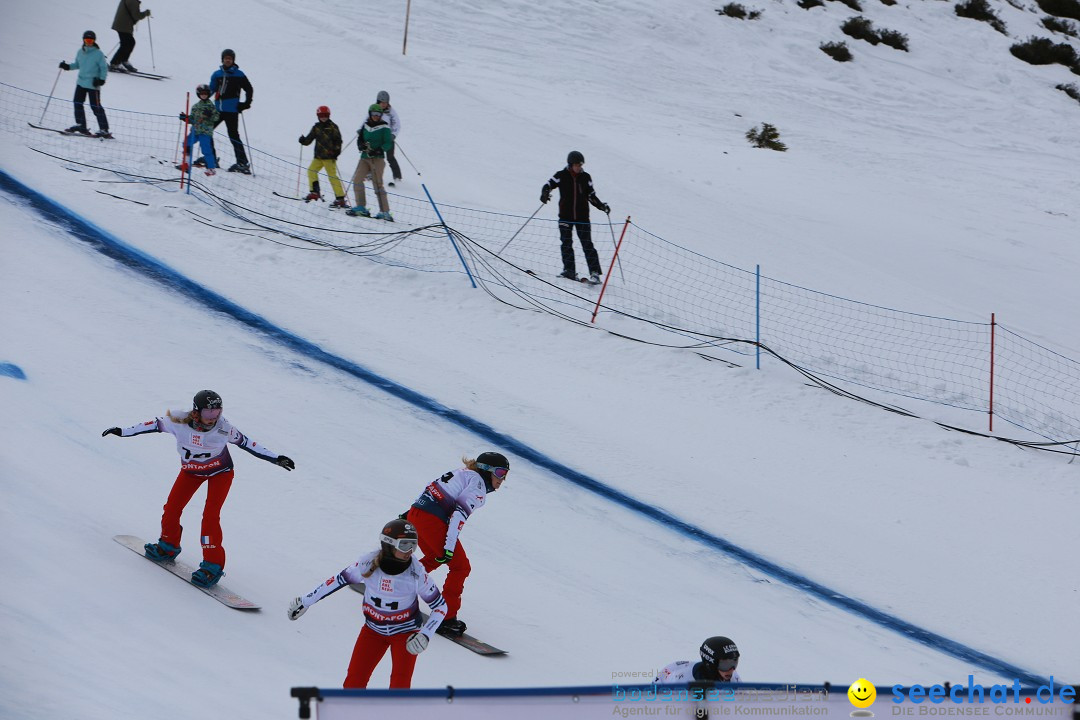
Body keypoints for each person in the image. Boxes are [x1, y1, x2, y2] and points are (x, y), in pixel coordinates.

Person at [101, 390, 295, 588]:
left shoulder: (224, 428)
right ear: (195, 412)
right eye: (209, 413)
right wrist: (123, 431)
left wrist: (275, 458)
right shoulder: (177, 419)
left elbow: (248, 443)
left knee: (210, 517)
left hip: (220, 474)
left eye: (217, 412)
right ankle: (168, 546)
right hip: (191, 472)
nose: (214, 418)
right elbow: (151, 425)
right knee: (171, 509)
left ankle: (213, 566)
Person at [287, 519, 447, 689]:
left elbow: (440, 606)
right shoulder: (367, 563)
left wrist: (425, 634)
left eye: (413, 545)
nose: (409, 551)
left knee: (400, 687)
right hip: (373, 631)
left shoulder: (417, 573)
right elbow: (337, 581)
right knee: (354, 682)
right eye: (404, 545)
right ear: (389, 545)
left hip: (405, 634)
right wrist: (306, 601)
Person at [405, 452, 509, 638]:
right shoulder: (477, 487)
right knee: (460, 567)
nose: (502, 479)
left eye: (505, 474)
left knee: (433, 558)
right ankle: (446, 618)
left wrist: (409, 514)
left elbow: (432, 489)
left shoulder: (462, 473)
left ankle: (400, 585)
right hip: (431, 521)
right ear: (486, 470)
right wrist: (449, 548)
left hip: (417, 514)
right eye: (500, 473)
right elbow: (458, 517)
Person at [539, 150, 611, 283]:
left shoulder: (586, 177)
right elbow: (548, 185)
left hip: (582, 217)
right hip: (565, 216)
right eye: (577, 165)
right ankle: (569, 270)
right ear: (570, 164)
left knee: (587, 244)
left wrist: (601, 206)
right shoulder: (561, 175)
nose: (579, 168)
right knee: (566, 243)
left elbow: (591, 196)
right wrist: (545, 193)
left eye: (581, 165)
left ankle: (594, 273)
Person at [200, 49, 253, 174]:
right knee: (206, 131)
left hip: (232, 110)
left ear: (233, 60)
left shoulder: (239, 74)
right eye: (226, 58)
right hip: (217, 110)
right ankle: (211, 158)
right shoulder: (216, 74)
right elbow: (211, 90)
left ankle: (242, 163)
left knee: (233, 136)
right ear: (222, 59)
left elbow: (249, 89)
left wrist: (246, 104)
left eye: (230, 58)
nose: (228, 60)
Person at [58, 30, 111, 138]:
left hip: (93, 84)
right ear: (83, 40)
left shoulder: (98, 54)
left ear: (94, 41)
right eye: (87, 40)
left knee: (95, 106)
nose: (89, 42)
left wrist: (101, 80)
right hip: (81, 82)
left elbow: (104, 68)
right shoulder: (80, 52)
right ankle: (81, 125)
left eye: (91, 40)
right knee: (77, 103)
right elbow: (77, 64)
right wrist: (67, 66)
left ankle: (104, 129)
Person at [347, 104, 395, 221]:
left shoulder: (384, 127)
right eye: (373, 114)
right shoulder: (366, 125)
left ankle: (384, 211)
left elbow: (388, 143)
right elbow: (360, 139)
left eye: (378, 114)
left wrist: (379, 149)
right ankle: (361, 207)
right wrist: (360, 145)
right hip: (365, 157)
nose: (375, 116)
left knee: (377, 184)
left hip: (377, 158)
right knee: (357, 180)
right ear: (370, 114)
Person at [298, 105, 348, 208]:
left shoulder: (333, 127)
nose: (323, 117)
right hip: (318, 157)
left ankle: (340, 198)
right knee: (311, 171)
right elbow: (309, 139)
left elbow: (338, 141)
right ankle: (315, 192)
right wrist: (303, 141)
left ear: (329, 115)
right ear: (318, 116)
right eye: (321, 115)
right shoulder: (316, 127)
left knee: (332, 176)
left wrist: (336, 152)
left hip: (329, 157)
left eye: (325, 115)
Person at [654, 636, 742, 684]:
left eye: (734, 662)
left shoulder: (733, 678)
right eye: (725, 664)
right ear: (710, 663)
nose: (732, 669)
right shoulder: (679, 679)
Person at [177, 84, 219, 176]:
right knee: (186, 143)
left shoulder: (211, 106)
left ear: (208, 94)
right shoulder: (195, 106)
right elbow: (192, 119)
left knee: (206, 149)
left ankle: (211, 168)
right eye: (202, 93)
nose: (204, 95)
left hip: (205, 131)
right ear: (198, 94)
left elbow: (216, 117)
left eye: (205, 93)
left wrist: (210, 114)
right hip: (195, 131)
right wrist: (186, 118)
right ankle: (186, 164)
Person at [108, 0, 151, 73]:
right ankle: (115, 63)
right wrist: (146, 13)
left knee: (130, 42)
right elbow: (137, 16)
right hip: (123, 26)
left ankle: (123, 60)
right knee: (126, 44)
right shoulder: (133, 2)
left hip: (122, 25)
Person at [376, 90, 403, 186]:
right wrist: (361, 129)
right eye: (381, 102)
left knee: (390, 157)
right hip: (377, 138)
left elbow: (397, 124)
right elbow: (366, 120)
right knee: (375, 156)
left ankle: (397, 177)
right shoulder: (374, 110)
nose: (383, 105)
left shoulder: (391, 112)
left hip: (388, 138)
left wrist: (393, 135)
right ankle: (371, 175)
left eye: (385, 103)